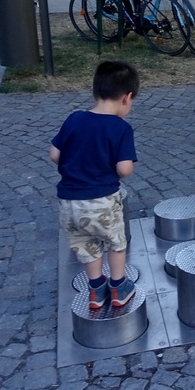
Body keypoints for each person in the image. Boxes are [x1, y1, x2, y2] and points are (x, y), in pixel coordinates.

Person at [49, 61, 139, 309]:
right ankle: (119, 287)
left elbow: (55, 155)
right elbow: (124, 169)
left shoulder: (74, 119)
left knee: (86, 247)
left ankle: (96, 291)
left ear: (95, 92)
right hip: (102, 202)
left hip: (69, 204)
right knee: (116, 243)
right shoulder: (121, 128)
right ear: (127, 98)